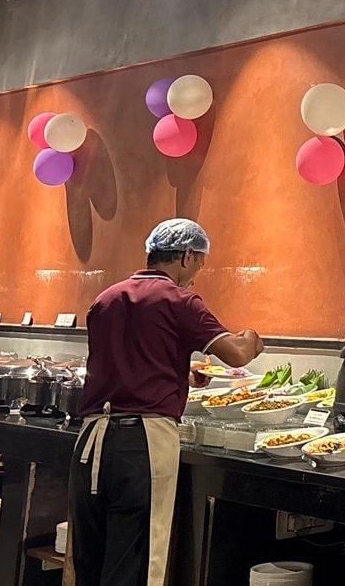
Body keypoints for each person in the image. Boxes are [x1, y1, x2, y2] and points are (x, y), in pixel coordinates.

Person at [68, 218, 263, 586]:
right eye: (200, 263)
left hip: (91, 442)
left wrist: (181, 375)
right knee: (136, 564)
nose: (196, 275)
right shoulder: (178, 299)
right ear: (187, 256)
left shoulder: (105, 299)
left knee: (91, 563)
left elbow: (123, 362)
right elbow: (237, 354)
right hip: (142, 444)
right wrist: (252, 337)